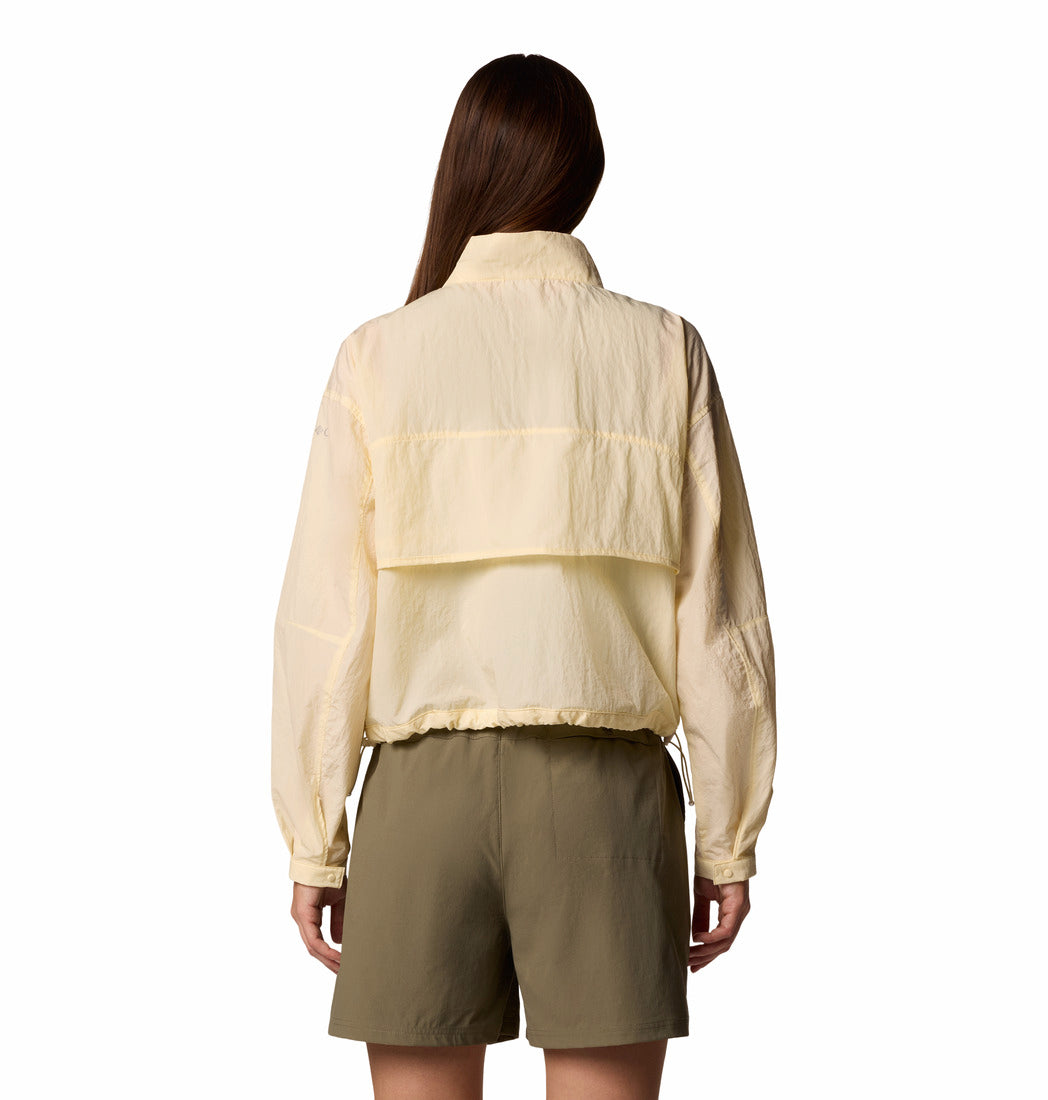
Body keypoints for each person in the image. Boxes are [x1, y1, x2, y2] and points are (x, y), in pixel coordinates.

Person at [271, 52, 777, 1100]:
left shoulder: (378, 354)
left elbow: (324, 619)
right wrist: (726, 839)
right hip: (605, 802)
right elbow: (718, 616)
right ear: (585, 174)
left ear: (461, 168)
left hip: (421, 798)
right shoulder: (664, 350)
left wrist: (315, 838)